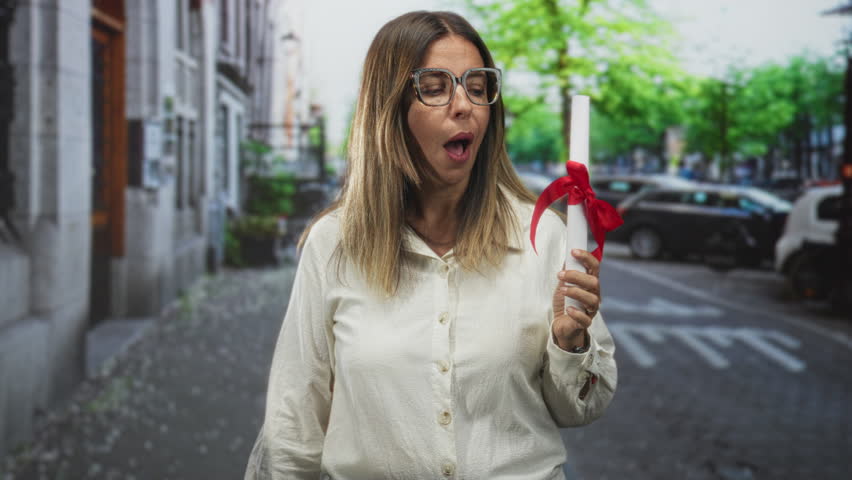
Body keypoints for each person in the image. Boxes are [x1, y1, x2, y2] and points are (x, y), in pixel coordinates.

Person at [245, 10, 617, 480]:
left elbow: (583, 407)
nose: (464, 105)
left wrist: (571, 342)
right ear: (389, 109)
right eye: (436, 87)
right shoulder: (334, 245)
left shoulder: (544, 236)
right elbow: (292, 425)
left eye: (477, 88)